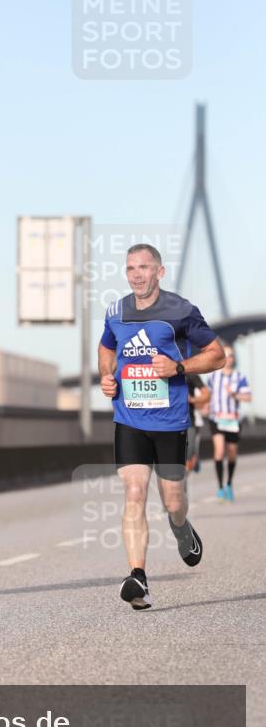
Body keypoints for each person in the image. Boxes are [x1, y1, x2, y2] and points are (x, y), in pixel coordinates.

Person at [98, 243, 225, 610]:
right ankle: (138, 577)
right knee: (134, 492)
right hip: (130, 419)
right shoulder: (115, 311)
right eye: (130, 268)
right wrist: (107, 375)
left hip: (170, 422)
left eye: (144, 267)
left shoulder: (181, 311)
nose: (136, 275)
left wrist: (178, 367)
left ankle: (181, 527)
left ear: (159, 272)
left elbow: (217, 355)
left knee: (173, 502)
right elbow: (106, 348)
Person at [206, 345, 251, 501]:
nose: (228, 359)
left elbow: (248, 397)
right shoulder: (213, 377)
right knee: (219, 451)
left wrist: (235, 394)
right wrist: (204, 407)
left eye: (231, 356)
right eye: (225, 355)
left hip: (232, 420)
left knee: (231, 453)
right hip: (216, 419)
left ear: (233, 358)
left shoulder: (239, 377)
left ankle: (229, 483)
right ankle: (220, 487)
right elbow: (207, 394)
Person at [185, 373, 210, 472]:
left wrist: (192, 400)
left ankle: (192, 462)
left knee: (190, 450)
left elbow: (206, 396)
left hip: (191, 421)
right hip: (170, 421)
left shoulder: (192, 376)